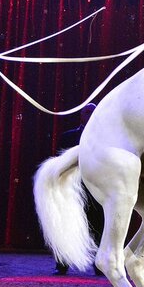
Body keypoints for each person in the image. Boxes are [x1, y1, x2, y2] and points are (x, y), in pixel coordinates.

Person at [53, 103, 98, 274]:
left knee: (97, 226)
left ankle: (100, 266)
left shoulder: (103, 137)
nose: (89, 115)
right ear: (81, 115)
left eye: (92, 112)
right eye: (86, 112)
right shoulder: (68, 137)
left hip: (94, 188)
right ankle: (62, 264)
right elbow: (59, 161)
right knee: (67, 225)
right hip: (71, 187)